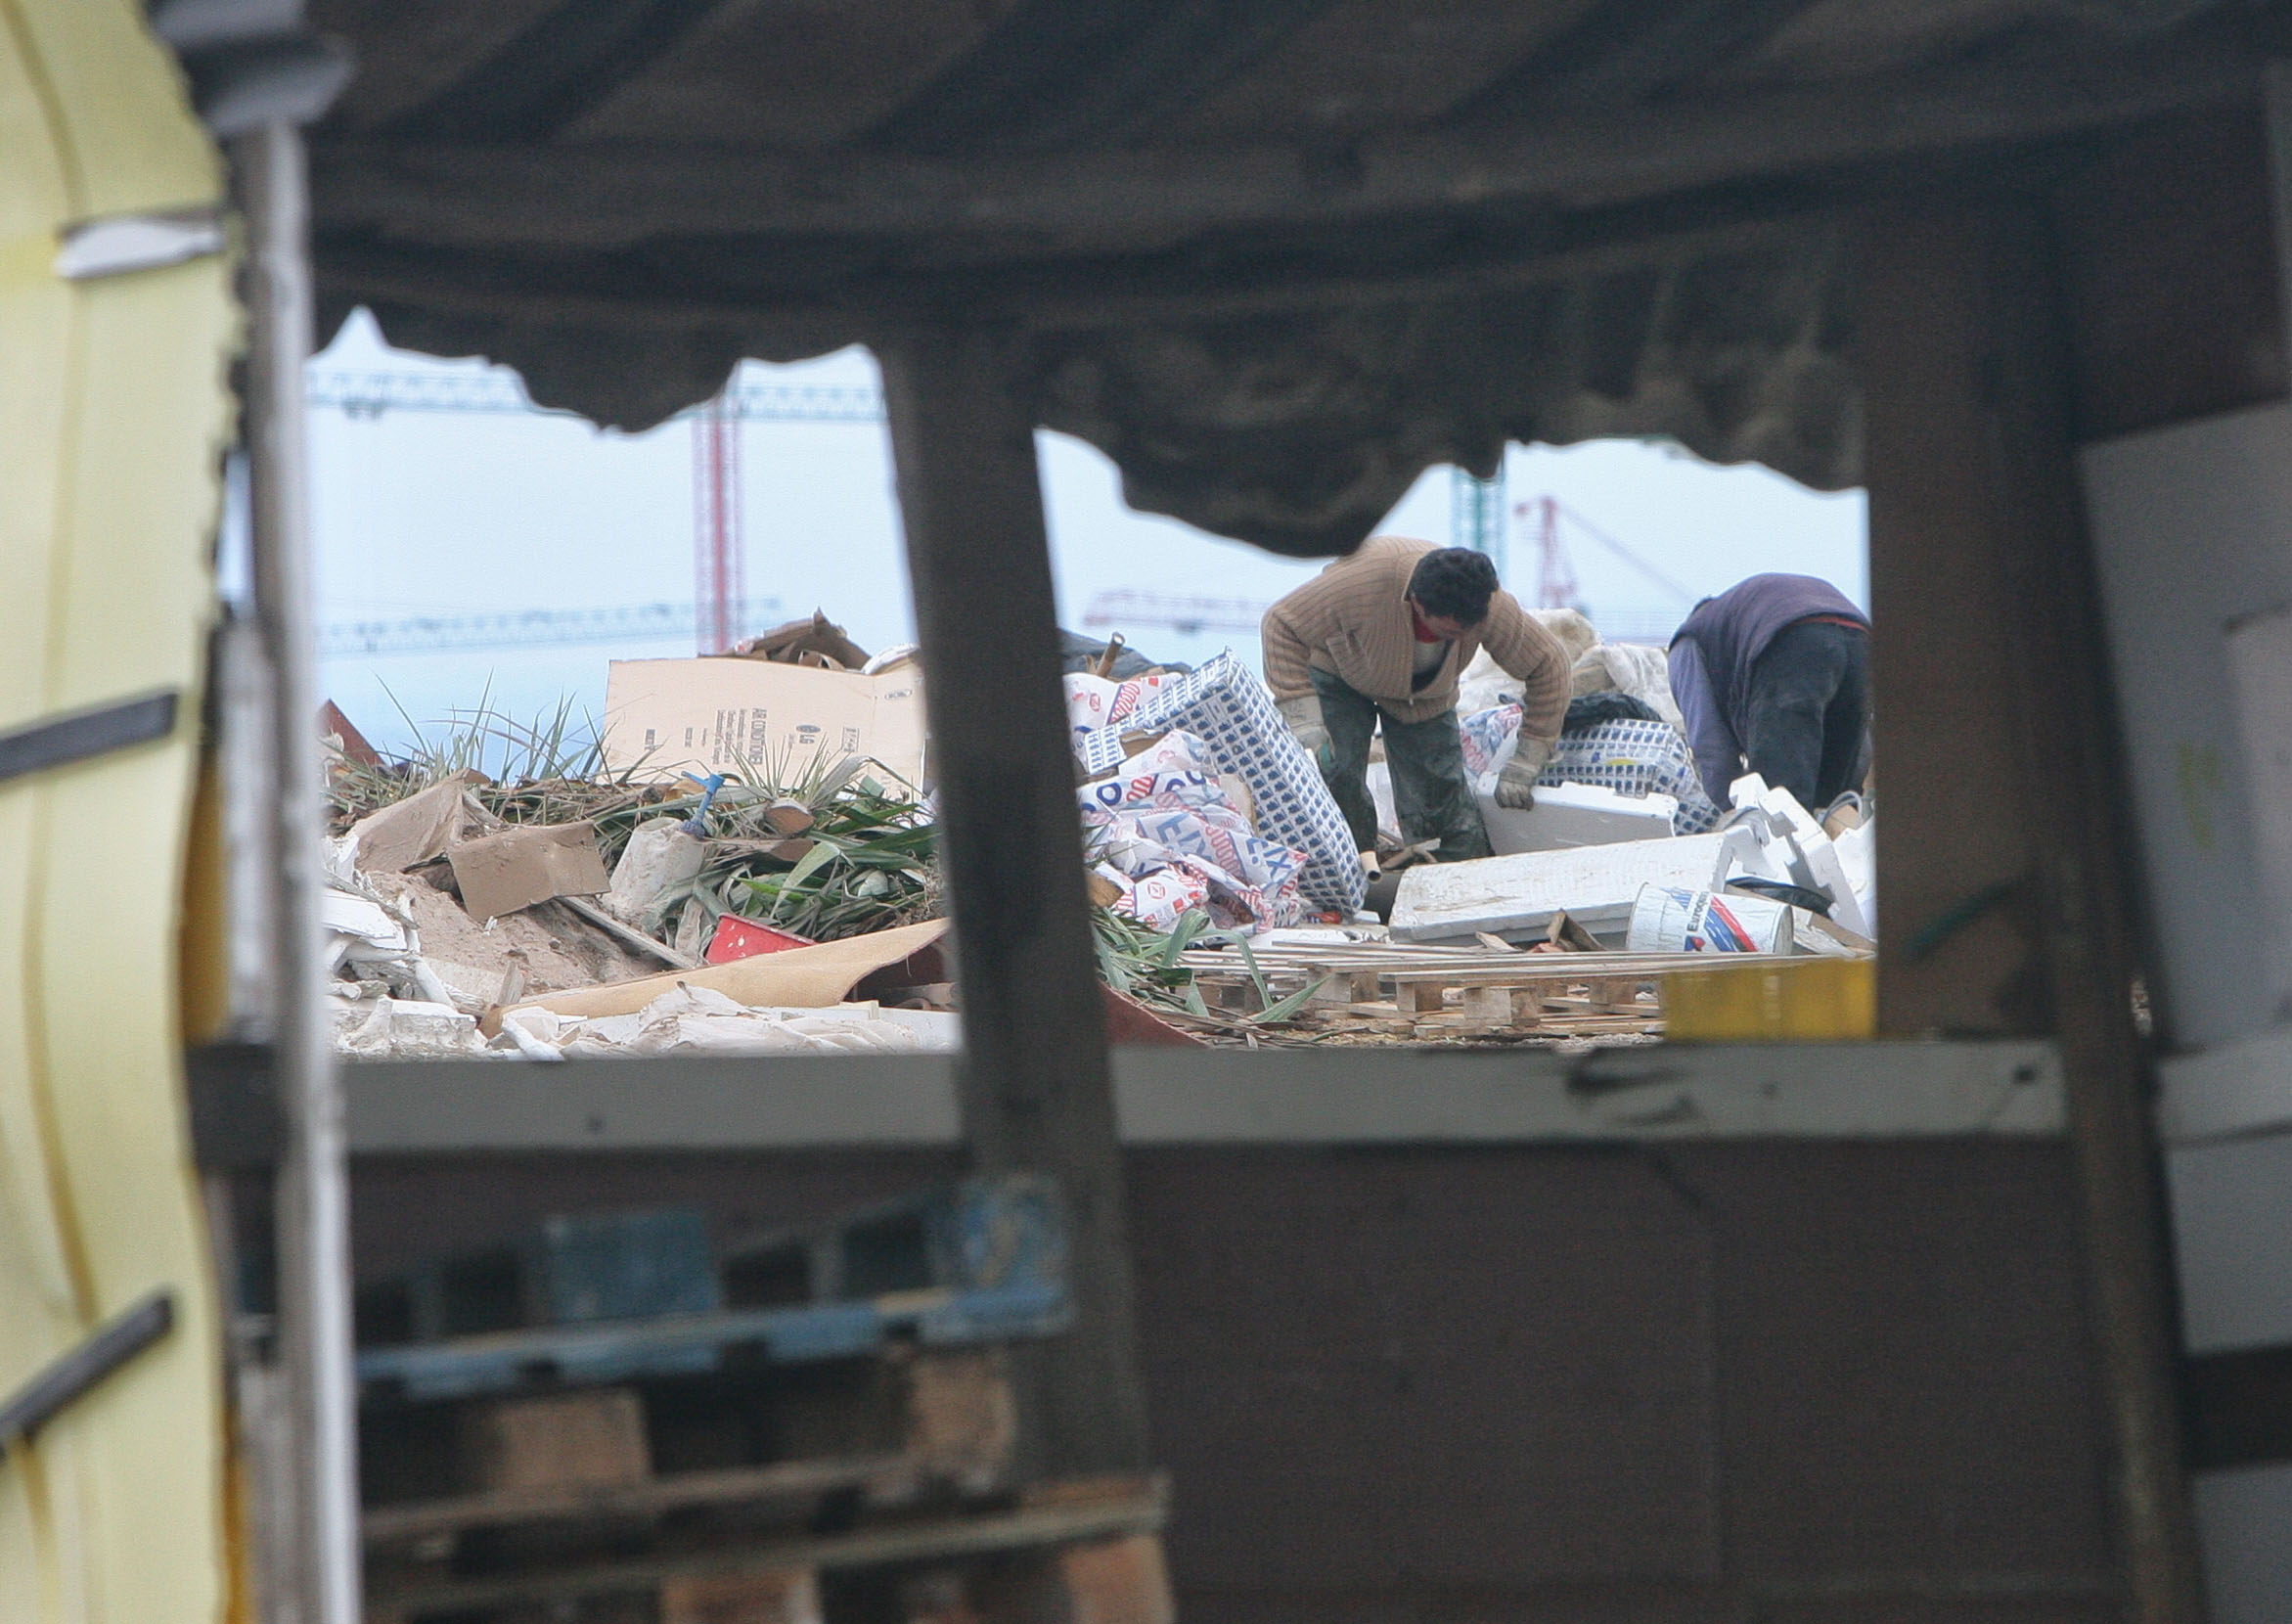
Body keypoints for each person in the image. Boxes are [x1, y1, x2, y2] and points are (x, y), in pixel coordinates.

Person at [1262, 538, 1569, 862]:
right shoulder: (1359, 585)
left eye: (1468, 633)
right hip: (1341, 673)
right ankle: (1350, 870)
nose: (1460, 639)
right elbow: (1281, 624)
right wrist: (1301, 714)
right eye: (1449, 633)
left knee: (1440, 799)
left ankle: (1454, 884)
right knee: (1336, 777)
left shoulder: (1490, 606)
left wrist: (1528, 758)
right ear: (1417, 604)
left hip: (1424, 694)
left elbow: (1549, 665)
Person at [1667, 572, 1869, 813]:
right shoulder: (1733, 623)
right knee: (1834, 807)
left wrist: (1734, 815)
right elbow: (1859, 749)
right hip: (1861, 639)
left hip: (1792, 639)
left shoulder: (1687, 642)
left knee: (1780, 805)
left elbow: (1711, 748)